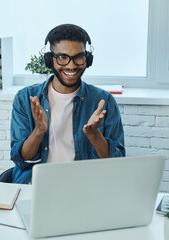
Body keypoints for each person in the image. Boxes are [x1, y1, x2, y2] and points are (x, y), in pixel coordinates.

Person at [10, 24, 125, 184]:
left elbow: (116, 164)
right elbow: (20, 160)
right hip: (37, 184)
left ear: (88, 59)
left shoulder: (103, 101)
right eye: (62, 57)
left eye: (79, 57)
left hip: (84, 186)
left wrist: (94, 135)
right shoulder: (25, 98)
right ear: (50, 59)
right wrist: (39, 131)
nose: (71, 65)